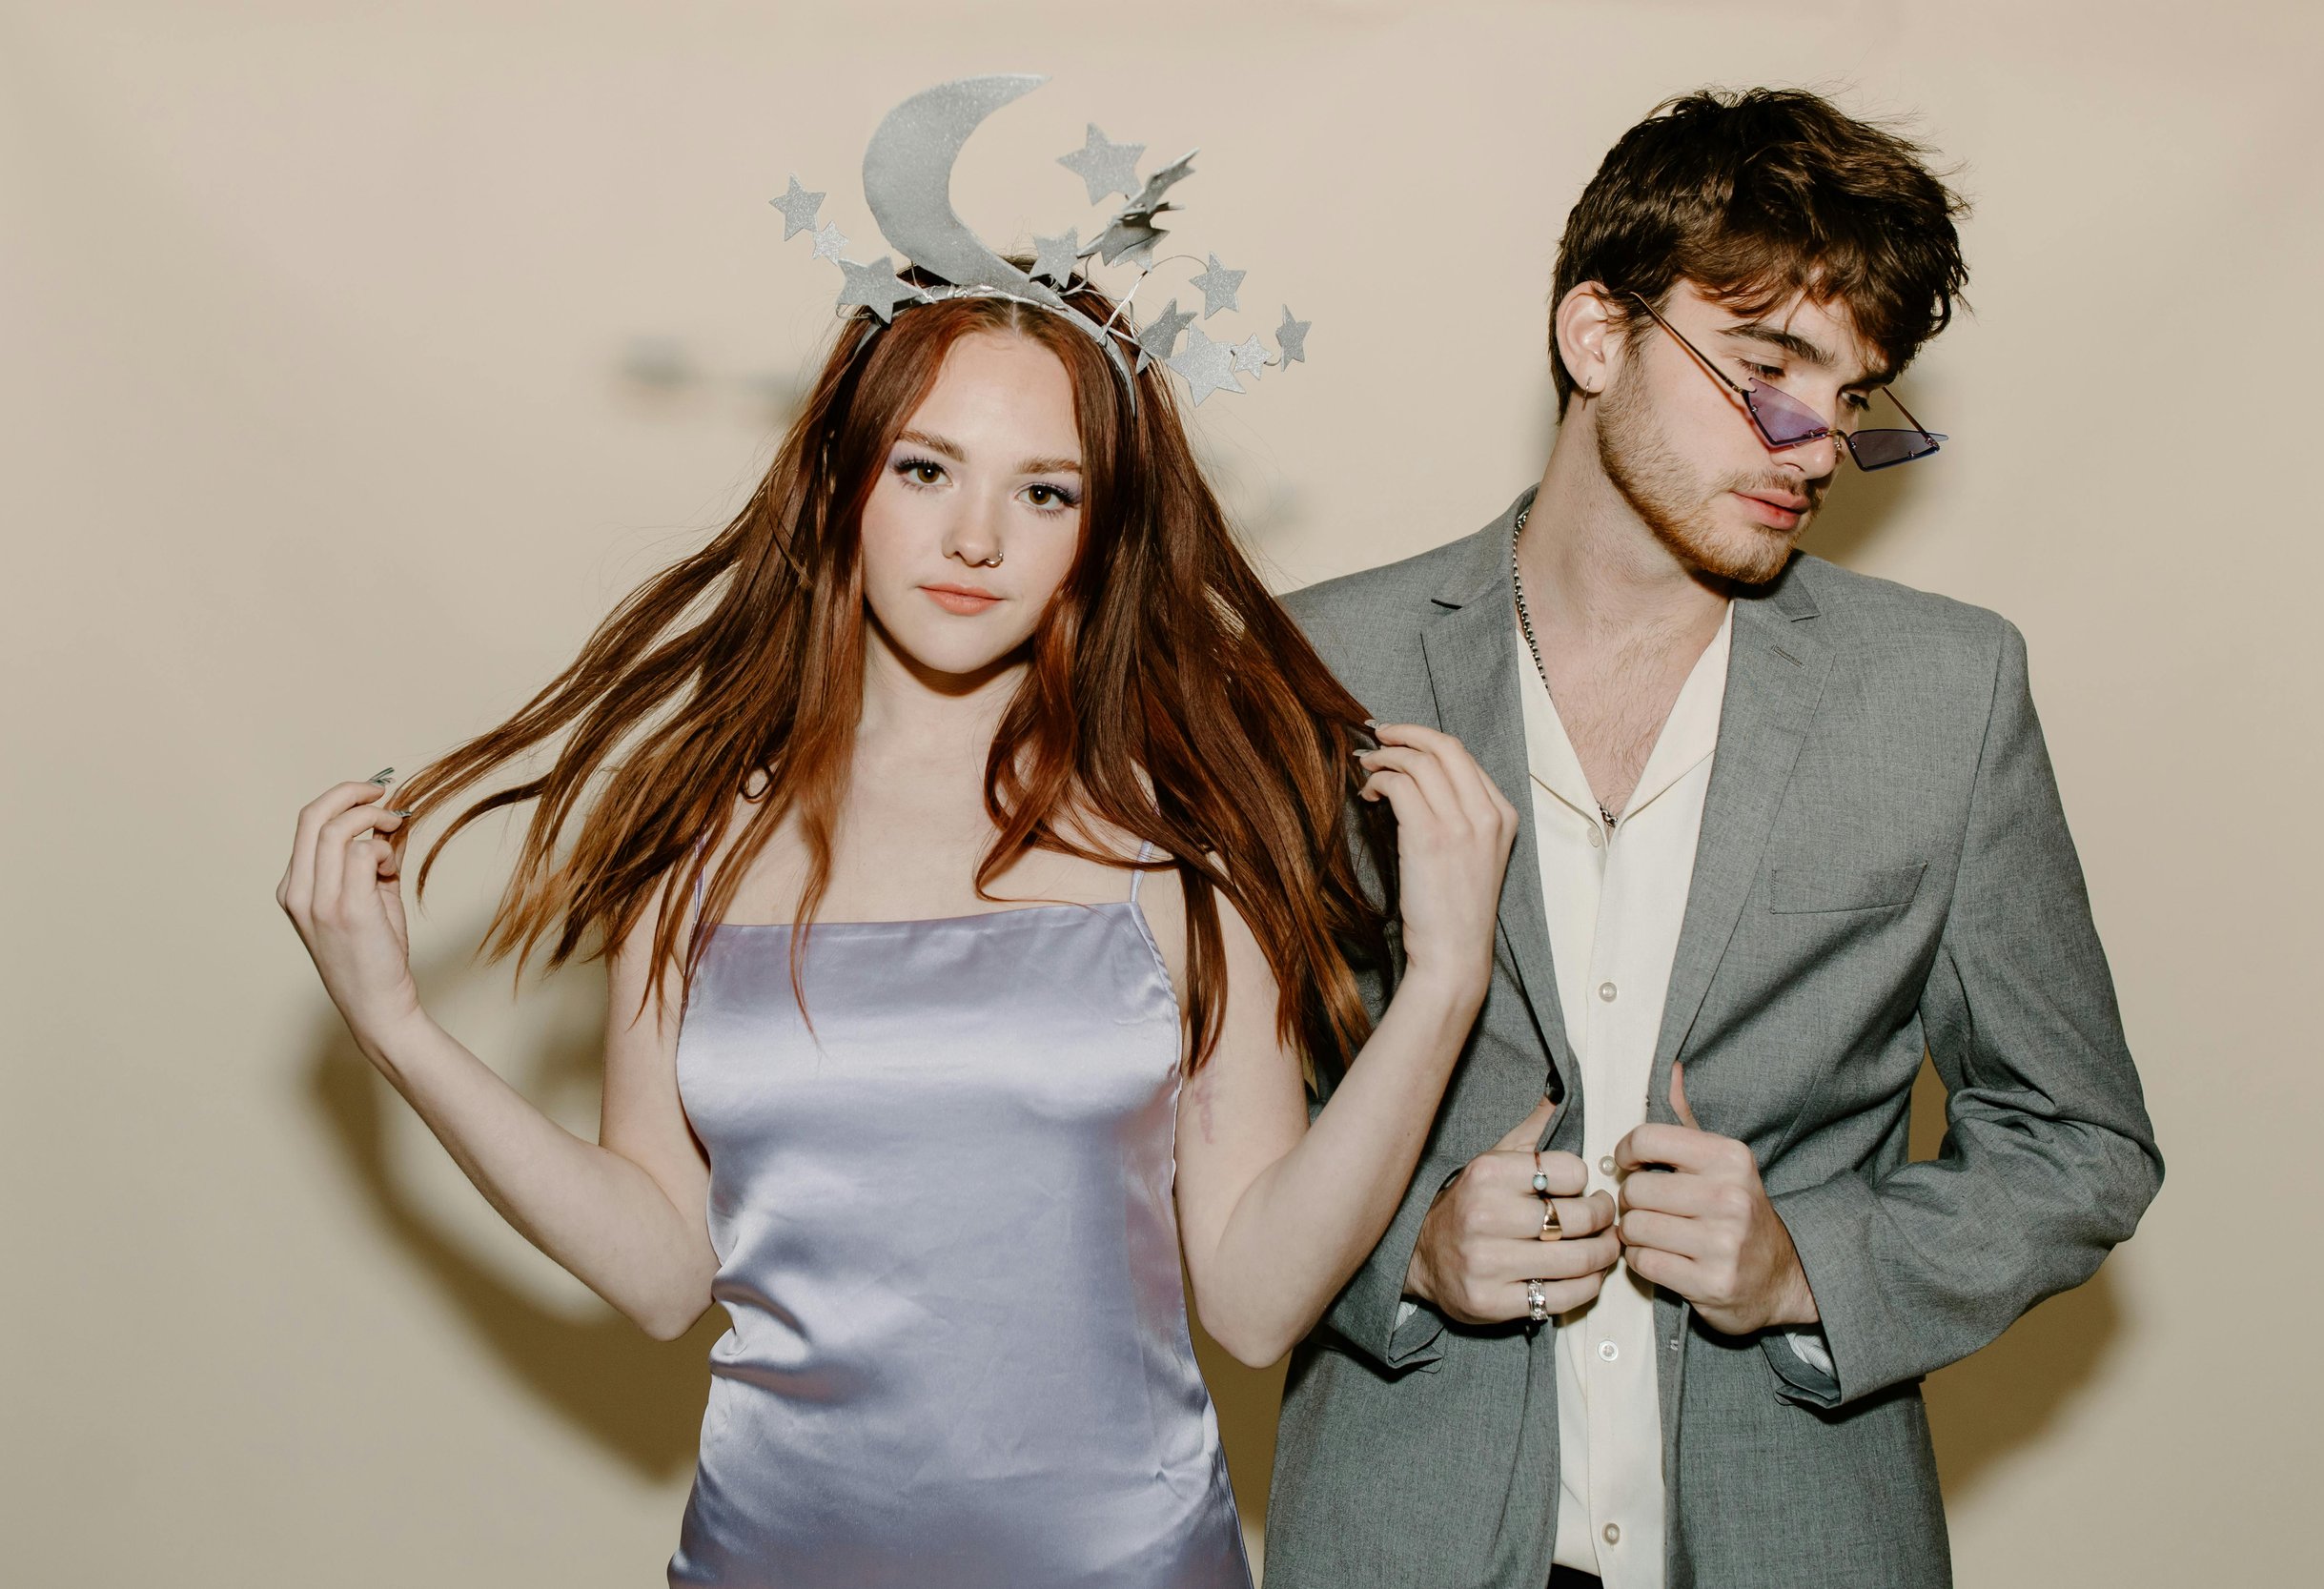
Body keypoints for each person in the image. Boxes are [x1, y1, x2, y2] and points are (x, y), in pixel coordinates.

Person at [276, 258, 1519, 1581]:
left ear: (1100, 533)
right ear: (841, 483)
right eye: (926, 471)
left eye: (1045, 492)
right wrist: (399, 1030)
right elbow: (657, 1271)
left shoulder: (1184, 852)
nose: (976, 538)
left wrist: (1443, 982)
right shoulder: (704, 852)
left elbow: (1258, 1305)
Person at [1264, 89, 2162, 1589]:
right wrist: (1401, 1250)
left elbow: (2078, 1140)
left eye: (1855, 398)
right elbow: (1190, 1126)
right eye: (1766, 372)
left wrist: (1813, 1263)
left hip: (1800, 1538)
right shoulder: (1313, 671)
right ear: (1597, 338)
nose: (1814, 449)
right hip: (1403, 1534)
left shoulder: (1947, 692)